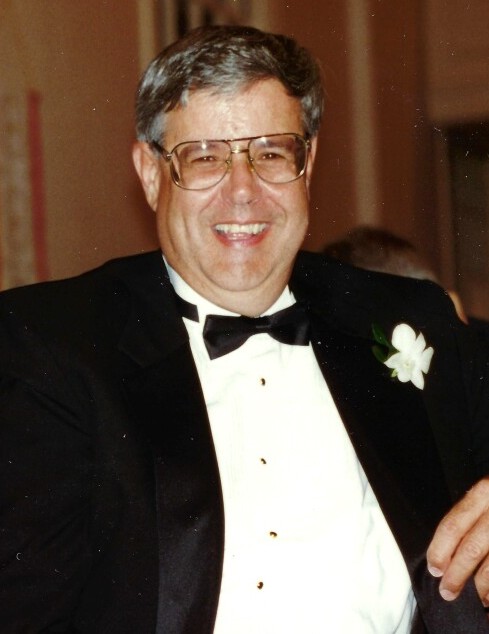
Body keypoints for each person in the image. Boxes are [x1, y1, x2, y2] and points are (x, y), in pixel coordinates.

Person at [1, 25, 489, 633]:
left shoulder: (407, 317)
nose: (242, 192)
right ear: (150, 173)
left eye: (271, 154)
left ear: (307, 164)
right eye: (205, 156)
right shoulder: (53, 346)